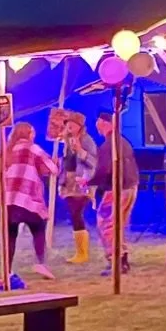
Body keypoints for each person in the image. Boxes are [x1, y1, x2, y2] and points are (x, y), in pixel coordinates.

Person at [0, 123, 60, 280]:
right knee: (38, 229)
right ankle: (41, 263)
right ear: (28, 134)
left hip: (9, 199)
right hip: (27, 198)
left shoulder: (8, 150)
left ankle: (7, 269)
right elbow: (52, 169)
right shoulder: (33, 149)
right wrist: (54, 162)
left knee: (10, 235)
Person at [91, 110, 140, 272]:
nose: (97, 126)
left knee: (107, 224)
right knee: (118, 224)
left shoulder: (108, 145)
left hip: (116, 189)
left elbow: (104, 169)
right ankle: (123, 257)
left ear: (106, 123)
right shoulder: (123, 142)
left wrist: (89, 182)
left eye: (99, 122)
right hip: (131, 186)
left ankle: (115, 260)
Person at [52, 111, 97, 265]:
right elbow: (68, 163)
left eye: (72, 124)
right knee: (74, 214)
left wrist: (80, 151)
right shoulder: (67, 142)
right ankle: (80, 251)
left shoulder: (86, 140)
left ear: (80, 126)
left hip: (81, 181)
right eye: (67, 124)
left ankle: (82, 253)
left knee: (76, 213)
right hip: (69, 182)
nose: (69, 127)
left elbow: (93, 162)